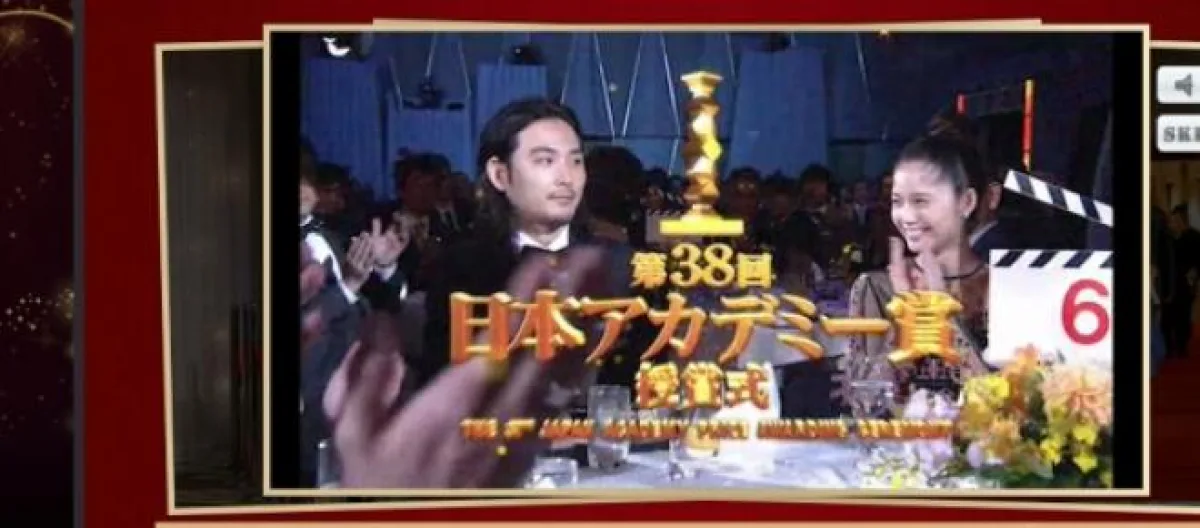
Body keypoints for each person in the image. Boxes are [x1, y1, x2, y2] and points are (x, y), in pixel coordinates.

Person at [416, 98, 630, 392]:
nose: (566, 178)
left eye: (575, 161)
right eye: (545, 161)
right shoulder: (460, 270)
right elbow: (439, 385)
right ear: (500, 175)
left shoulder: (619, 264)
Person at [836, 133, 993, 413]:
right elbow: (862, 405)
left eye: (921, 201)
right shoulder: (875, 287)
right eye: (897, 202)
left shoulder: (1001, 288)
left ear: (966, 202)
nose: (906, 217)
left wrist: (939, 312)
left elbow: (1001, 406)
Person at [1165, 205, 1200, 358]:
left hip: (1186, 283)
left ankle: (1182, 345)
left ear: (1182, 220)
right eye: (1171, 221)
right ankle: (1169, 346)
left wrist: (1195, 272)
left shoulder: (1195, 237)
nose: (1172, 224)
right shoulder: (1168, 238)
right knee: (1168, 315)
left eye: (1175, 220)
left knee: (1184, 315)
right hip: (1169, 283)